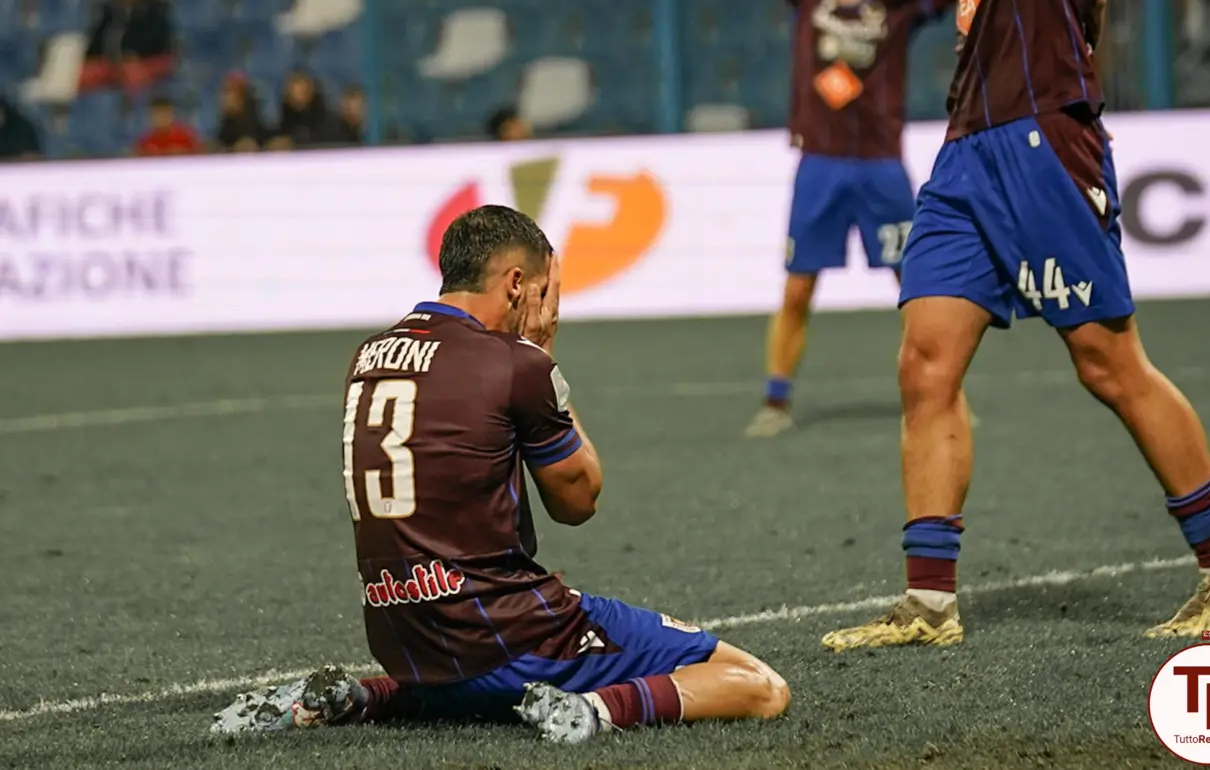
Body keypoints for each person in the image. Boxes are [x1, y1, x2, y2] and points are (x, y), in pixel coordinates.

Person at [821, 0, 1210, 652]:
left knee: (1109, 361)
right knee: (925, 362)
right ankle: (929, 603)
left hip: (1041, 139)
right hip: (967, 149)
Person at [210, 206, 790, 742]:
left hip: (406, 643)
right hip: (507, 635)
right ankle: (590, 710)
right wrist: (543, 354)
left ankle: (362, 697)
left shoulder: (368, 356)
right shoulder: (514, 362)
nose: (550, 304)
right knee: (757, 684)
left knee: (472, 672)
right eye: (547, 289)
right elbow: (579, 501)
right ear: (517, 284)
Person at [739, 0, 957, 438]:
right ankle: (776, 400)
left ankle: (941, 393)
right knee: (797, 289)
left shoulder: (897, 9)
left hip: (883, 168)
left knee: (914, 285)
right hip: (821, 167)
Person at [78, 0, 175, 95]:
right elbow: (98, 38)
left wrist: (132, 54)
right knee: (85, 74)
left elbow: (157, 38)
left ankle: (133, 106)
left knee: (132, 74)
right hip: (112, 62)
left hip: (146, 60)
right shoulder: (110, 9)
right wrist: (93, 57)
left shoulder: (155, 8)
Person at [135, 96, 201, 157]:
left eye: (164, 115)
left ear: (171, 115)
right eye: (157, 115)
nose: (161, 119)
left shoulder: (186, 136)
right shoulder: (145, 140)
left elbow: (200, 156)